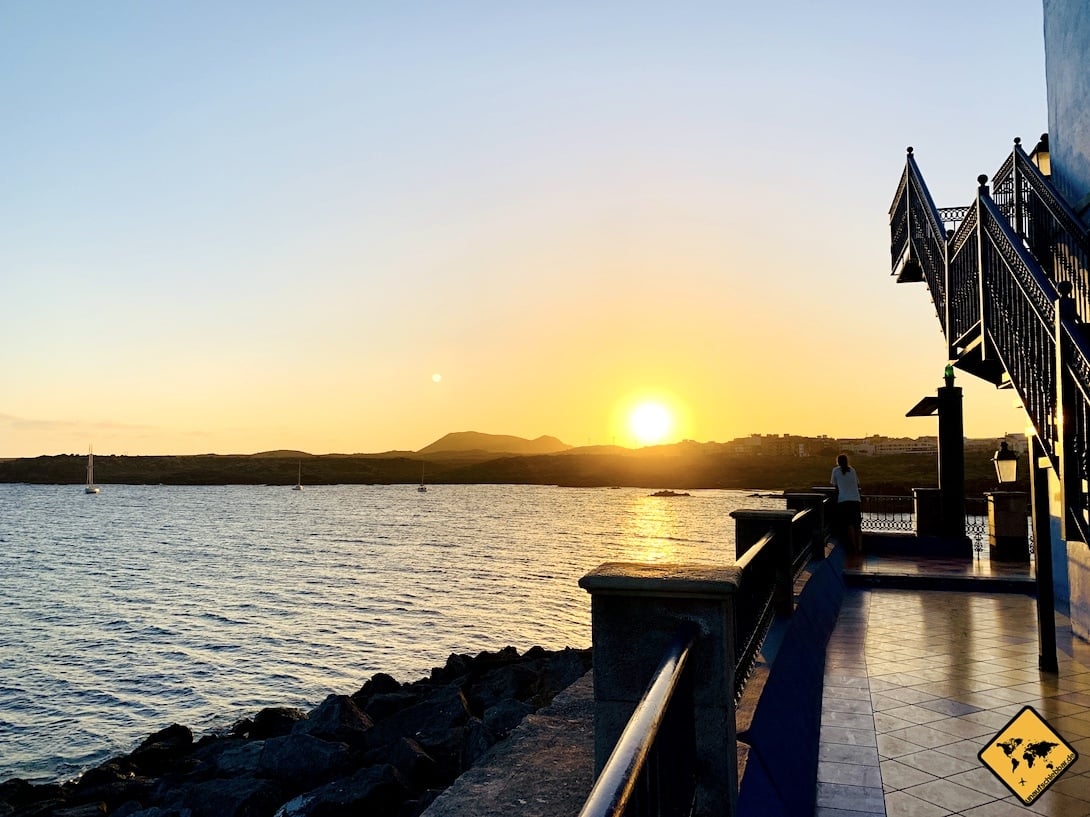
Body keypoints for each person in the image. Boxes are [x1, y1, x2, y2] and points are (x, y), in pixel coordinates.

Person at [830, 453, 863, 554]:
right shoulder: (852, 470)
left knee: (849, 525)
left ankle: (853, 547)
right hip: (856, 500)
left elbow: (834, 484)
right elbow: (857, 484)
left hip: (844, 501)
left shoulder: (835, 471)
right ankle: (860, 547)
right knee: (857, 525)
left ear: (838, 462)